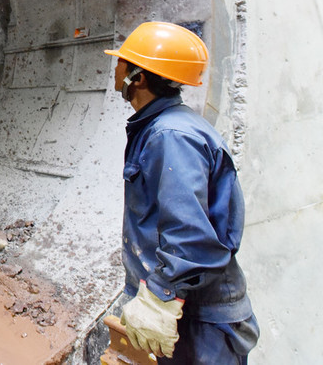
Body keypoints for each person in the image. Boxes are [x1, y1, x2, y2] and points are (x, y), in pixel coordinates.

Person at [104, 21, 258, 363]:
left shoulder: (170, 136)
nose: (116, 67)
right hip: (189, 313)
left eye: (122, 61)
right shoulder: (165, 127)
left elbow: (189, 232)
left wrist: (160, 295)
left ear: (137, 77)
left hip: (201, 324)